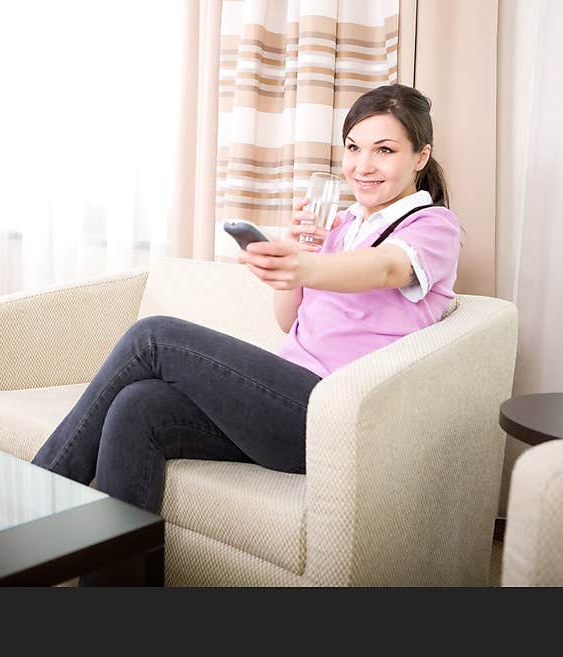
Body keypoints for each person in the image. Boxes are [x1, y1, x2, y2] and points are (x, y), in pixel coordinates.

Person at [31, 84, 460, 516]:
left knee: (153, 337)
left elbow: (387, 268)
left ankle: (32, 497)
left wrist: (304, 266)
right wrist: (300, 254)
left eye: (384, 151)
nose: (363, 166)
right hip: (284, 399)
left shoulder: (432, 225)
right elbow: (286, 320)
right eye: (353, 148)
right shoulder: (344, 224)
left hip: (335, 414)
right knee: (135, 406)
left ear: (420, 157)